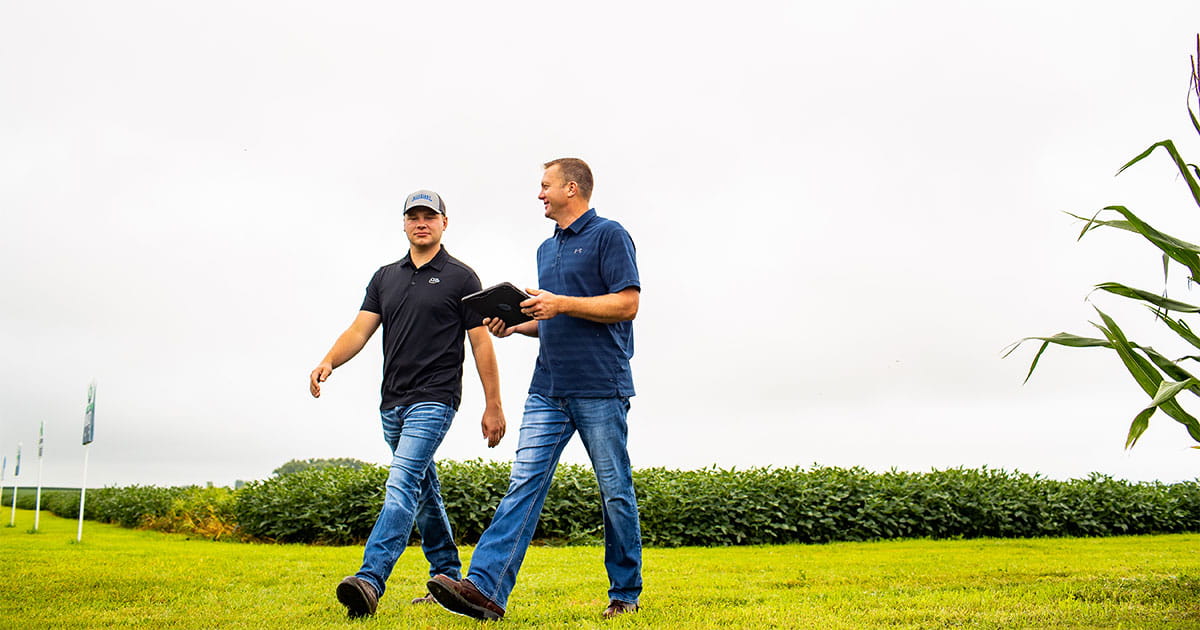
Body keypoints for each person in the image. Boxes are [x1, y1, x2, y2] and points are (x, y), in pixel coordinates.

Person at [426, 158, 643, 620]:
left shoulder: (610, 235)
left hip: (600, 386)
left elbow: (627, 304)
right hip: (548, 386)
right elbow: (556, 321)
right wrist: (517, 324)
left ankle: (625, 592)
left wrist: (559, 302)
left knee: (615, 490)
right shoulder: (548, 250)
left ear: (571, 187)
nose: (539, 194)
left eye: (545, 186)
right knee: (523, 484)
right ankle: (485, 590)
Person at [308, 189, 506, 619]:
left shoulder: (461, 277)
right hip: (392, 403)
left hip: (435, 399)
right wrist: (329, 361)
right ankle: (448, 577)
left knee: (400, 484)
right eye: (413, 216)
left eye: (429, 216)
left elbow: (480, 343)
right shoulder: (385, 277)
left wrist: (493, 404)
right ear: (404, 223)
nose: (422, 222)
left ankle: (369, 579)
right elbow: (359, 331)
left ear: (443, 223)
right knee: (422, 492)